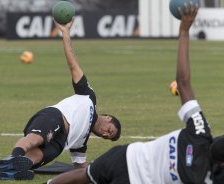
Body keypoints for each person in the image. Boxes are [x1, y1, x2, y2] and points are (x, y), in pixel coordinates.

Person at [45, 2, 224, 184]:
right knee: (88, 175)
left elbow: (183, 83)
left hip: (129, 157)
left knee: (87, 175)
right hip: (130, 166)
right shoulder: (203, 177)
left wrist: (184, 31)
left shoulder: (199, 132)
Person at [0, 18, 121, 180]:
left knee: (49, 152)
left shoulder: (81, 143)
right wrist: (66, 33)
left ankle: (12, 170)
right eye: (109, 130)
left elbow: (81, 166)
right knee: (37, 138)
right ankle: (14, 158)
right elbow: (73, 65)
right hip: (56, 117)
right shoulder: (89, 97)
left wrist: (104, 170)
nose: (104, 134)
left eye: (106, 137)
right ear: (108, 118)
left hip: (61, 140)